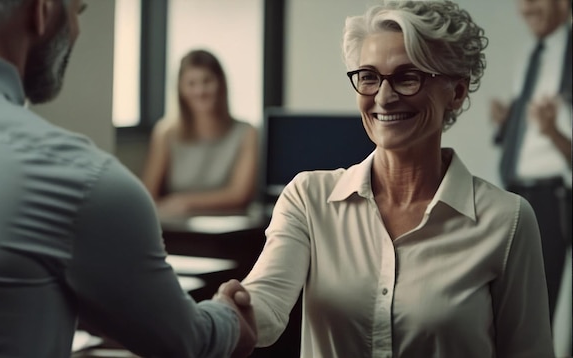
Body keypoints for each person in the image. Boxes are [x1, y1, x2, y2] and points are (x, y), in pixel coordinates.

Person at [219, 1, 556, 357]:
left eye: (408, 77)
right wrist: (230, 317)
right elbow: (266, 302)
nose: (384, 96)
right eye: (368, 76)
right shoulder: (308, 198)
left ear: (456, 93)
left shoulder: (508, 221)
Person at [0, 1, 256, 357]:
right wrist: (230, 318)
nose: (77, 29)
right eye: (79, 11)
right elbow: (186, 341)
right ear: (43, 11)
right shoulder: (82, 180)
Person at [490, 0, 571, 326]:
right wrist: (506, 124)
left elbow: (552, 131)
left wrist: (551, 131)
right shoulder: (530, 54)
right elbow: (530, 129)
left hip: (555, 198)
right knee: (509, 303)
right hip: (517, 192)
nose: (526, 8)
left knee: (540, 308)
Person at [141, 49, 258, 217]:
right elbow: (148, 194)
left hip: (228, 230)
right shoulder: (165, 133)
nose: (200, 91)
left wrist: (185, 202)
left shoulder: (246, 132)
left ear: (221, 84)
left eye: (207, 81)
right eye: (191, 83)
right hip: (177, 228)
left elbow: (239, 195)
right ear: (180, 89)